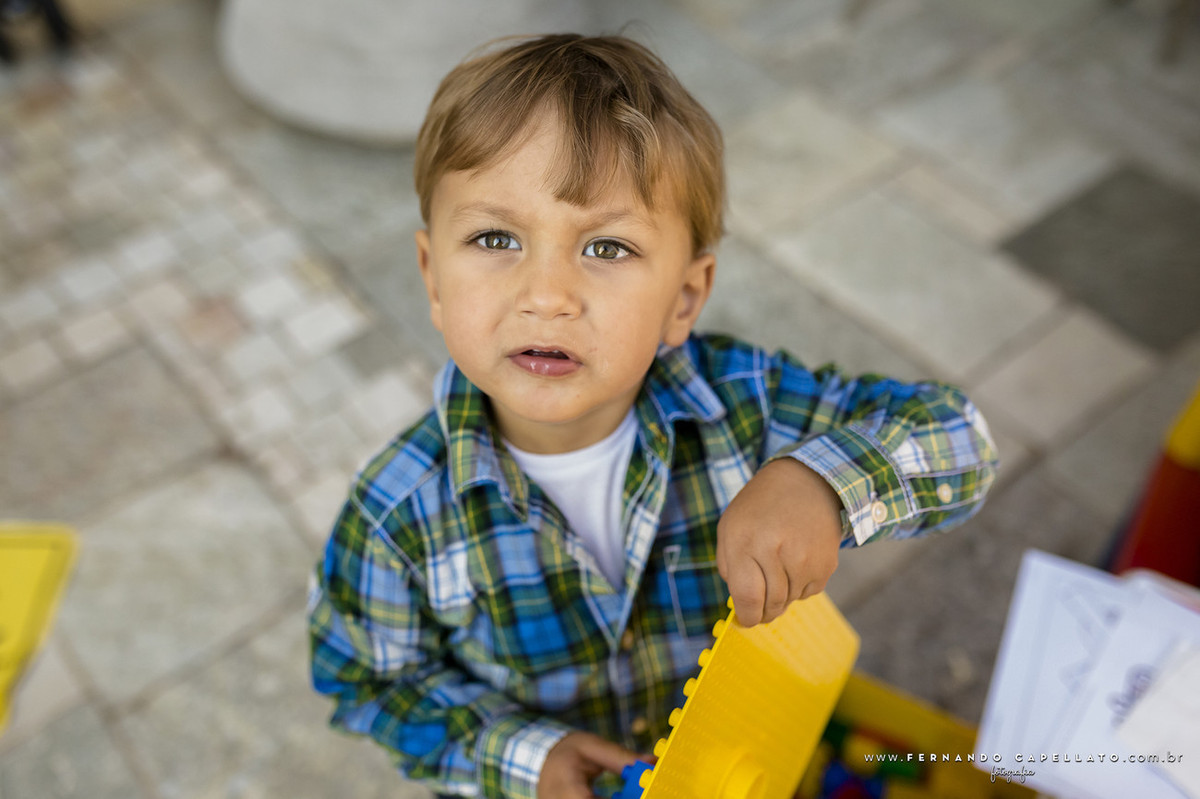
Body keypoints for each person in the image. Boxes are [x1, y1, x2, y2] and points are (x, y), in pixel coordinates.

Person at [307, 33, 998, 799]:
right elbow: (366, 678)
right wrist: (520, 755)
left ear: (685, 299)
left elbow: (960, 438)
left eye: (606, 246)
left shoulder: (750, 404)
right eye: (495, 237)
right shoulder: (394, 515)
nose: (547, 294)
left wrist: (825, 483)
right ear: (434, 276)